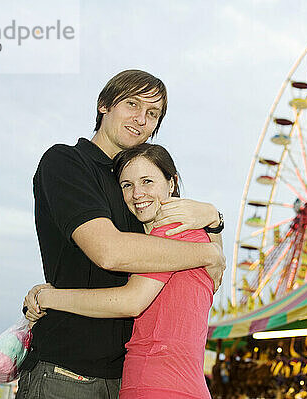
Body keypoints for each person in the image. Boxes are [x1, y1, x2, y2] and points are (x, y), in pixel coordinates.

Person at [17, 70, 225, 399]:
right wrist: (209, 252)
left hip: (124, 379)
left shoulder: (137, 189)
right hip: (67, 373)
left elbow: (205, 278)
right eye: (132, 104)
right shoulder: (67, 163)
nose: (141, 119)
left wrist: (215, 220)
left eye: (152, 114)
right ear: (104, 105)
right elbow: (109, 252)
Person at [27, 143, 213, 398]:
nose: (138, 193)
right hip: (175, 382)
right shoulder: (195, 234)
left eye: (147, 181)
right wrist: (215, 221)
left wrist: (47, 297)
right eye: (127, 185)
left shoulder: (172, 233)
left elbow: (131, 301)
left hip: (155, 383)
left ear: (172, 183)